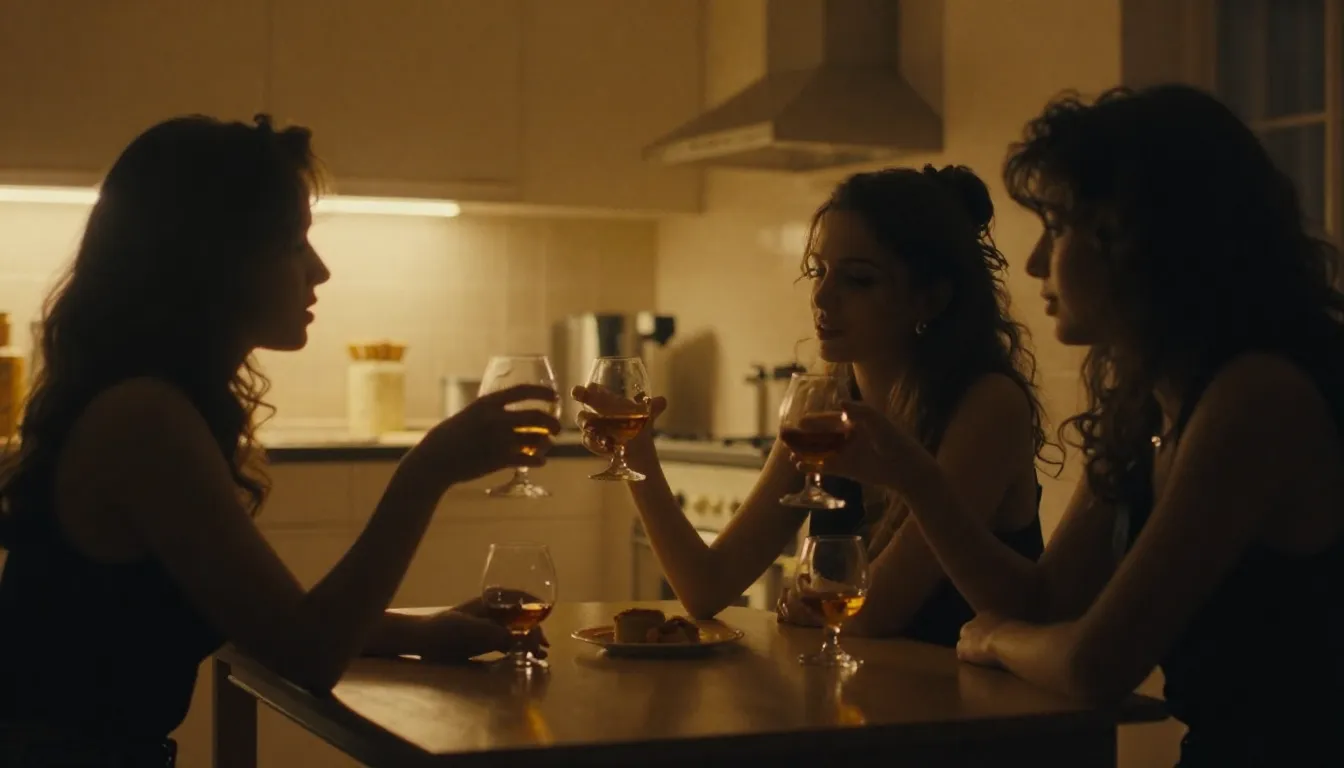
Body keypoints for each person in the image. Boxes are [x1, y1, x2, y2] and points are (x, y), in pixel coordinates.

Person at [0, 115, 560, 765]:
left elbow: (259, 619)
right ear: (216, 261)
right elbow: (308, 652)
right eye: (295, 244)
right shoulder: (145, 421)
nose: (319, 271)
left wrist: (423, 634)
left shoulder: (146, 405)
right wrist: (425, 472)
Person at [843, 85, 1344, 766]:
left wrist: (996, 639)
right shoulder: (1150, 405)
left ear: (1139, 239)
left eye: (1056, 227)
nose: (1034, 262)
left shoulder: (1257, 397)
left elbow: (1095, 663)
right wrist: (919, 481)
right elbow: (1045, 599)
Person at [574, 165, 1058, 646]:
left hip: (973, 695)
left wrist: (819, 605)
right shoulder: (825, 404)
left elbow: (876, 612)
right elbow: (706, 587)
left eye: (858, 280)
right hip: (871, 690)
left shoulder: (987, 406)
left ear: (929, 300)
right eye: (818, 271)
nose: (823, 296)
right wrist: (638, 454)